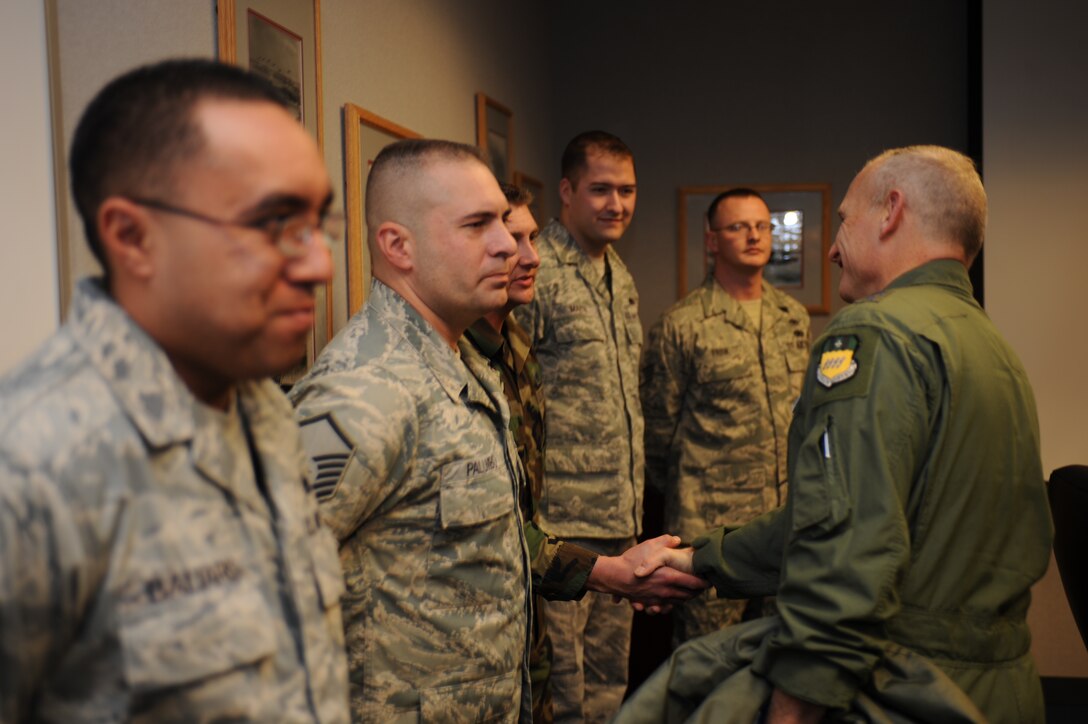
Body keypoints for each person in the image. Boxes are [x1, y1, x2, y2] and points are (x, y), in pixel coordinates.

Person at [620, 146, 1052, 723]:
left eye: (845, 219)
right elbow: (855, 513)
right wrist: (701, 559)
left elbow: (846, 543)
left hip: (904, 688)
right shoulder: (989, 345)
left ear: (891, 211)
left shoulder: (875, 333)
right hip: (998, 690)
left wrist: (793, 704)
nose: (830, 248)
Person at [0, 59, 349, 722]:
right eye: (276, 223)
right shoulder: (30, 466)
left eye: (316, 224)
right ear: (133, 238)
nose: (319, 264)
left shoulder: (264, 410)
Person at [289, 139, 532, 721]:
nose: (506, 243)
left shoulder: (461, 359)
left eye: (502, 219)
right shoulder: (366, 392)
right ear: (399, 246)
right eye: (476, 224)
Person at [465, 184, 708, 721]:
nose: (529, 256)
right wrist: (599, 569)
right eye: (512, 239)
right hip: (551, 540)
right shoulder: (455, 357)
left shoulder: (519, 343)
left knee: (604, 687)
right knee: (566, 693)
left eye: (531, 238)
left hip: (605, 520)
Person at [513, 130, 644, 721]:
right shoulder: (536, 270)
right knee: (565, 696)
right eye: (601, 189)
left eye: (627, 190)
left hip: (620, 518)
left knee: (610, 686)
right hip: (564, 525)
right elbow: (513, 392)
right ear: (567, 191)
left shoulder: (618, 273)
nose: (616, 203)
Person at [641, 188, 811, 646]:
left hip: (781, 528)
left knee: (784, 657)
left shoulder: (792, 317)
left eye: (762, 226)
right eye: (738, 227)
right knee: (707, 661)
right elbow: (657, 436)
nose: (754, 236)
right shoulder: (682, 324)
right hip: (709, 534)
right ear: (712, 241)